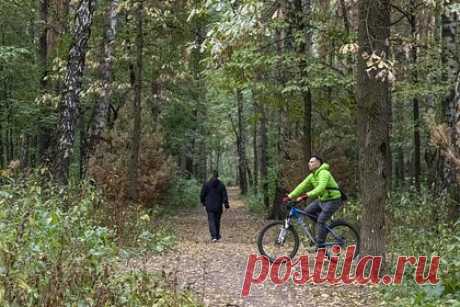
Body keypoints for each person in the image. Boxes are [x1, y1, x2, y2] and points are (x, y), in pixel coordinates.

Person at [284, 155, 343, 249]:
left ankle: (320, 244)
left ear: (319, 163)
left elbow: (321, 188)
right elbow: (302, 186)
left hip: (333, 200)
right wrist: (289, 196)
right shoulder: (312, 175)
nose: (309, 163)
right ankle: (323, 227)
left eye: (312, 162)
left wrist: (306, 195)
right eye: (309, 162)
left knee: (320, 220)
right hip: (322, 200)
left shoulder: (324, 172)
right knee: (307, 211)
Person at [200, 170, 229, 242]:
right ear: (218, 176)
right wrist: (226, 205)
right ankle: (217, 235)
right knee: (217, 220)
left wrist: (203, 203)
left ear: (211, 175)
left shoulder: (206, 184)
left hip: (209, 205)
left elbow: (202, 195)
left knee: (211, 220)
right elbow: (224, 195)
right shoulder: (221, 184)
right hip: (218, 206)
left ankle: (214, 236)